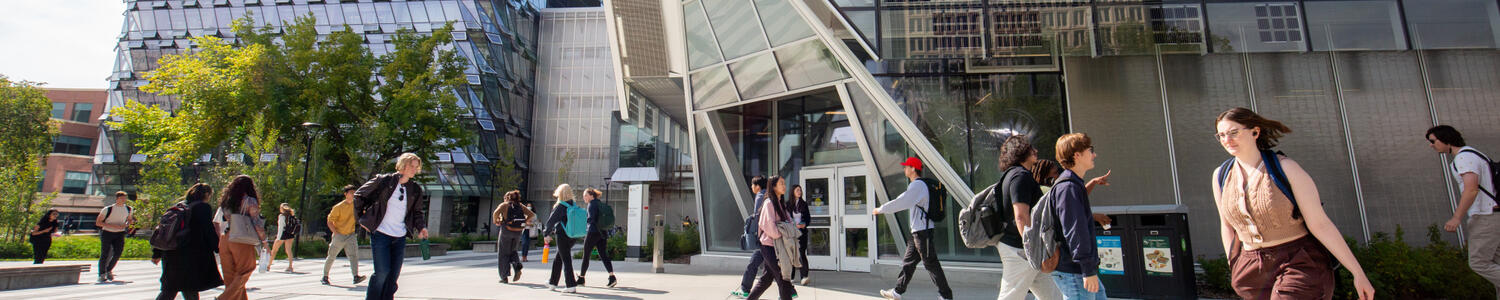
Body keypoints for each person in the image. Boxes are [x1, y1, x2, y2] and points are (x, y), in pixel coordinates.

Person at [1212, 108, 1374, 300]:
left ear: (1255, 132)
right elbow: (1227, 226)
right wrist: (1235, 264)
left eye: (1233, 132)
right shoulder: (1221, 175)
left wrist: (1357, 273)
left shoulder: (1286, 168)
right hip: (1250, 269)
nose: (1226, 140)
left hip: (1298, 262)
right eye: (1221, 135)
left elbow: (1320, 224)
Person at [1427, 125, 1500, 295]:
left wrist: (1456, 217)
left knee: (1479, 262)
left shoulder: (1464, 157)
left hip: (1485, 217)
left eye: (1433, 141)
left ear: (1446, 139)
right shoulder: (1474, 154)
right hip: (1493, 216)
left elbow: (1471, 188)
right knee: (1496, 263)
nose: (1431, 145)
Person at [990, 135, 1064, 300]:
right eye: (1031, 149)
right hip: (1021, 249)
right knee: (1010, 296)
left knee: (1052, 296)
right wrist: (1034, 247)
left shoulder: (1012, 175)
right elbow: (1021, 216)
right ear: (1021, 152)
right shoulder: (1020, 176)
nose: (1035, 151)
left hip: (1023, 248)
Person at [353, 153, 430, 300]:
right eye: (411, 166)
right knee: (382, 273)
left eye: (416, 167)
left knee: (393, 277)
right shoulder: (384, 181)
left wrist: (421, 228)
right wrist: (363, 220)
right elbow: (359, 195)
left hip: (399, 237)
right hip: (381, 234)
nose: (414, 169)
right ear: (402, 165)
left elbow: (417, 212)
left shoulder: (415, 189)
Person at [874, 157, 954, 300]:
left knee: (931, 263)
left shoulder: (917, 186)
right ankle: (897, 292)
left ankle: (946, 295)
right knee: (908, 263)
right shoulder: (917, 186)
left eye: (906, 167)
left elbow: (902, 201)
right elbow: (903, 198)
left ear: (913, 169)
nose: (904, 169)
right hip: (917, 231)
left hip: (923, 232)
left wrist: (881, 209)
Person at [151, 183, 224, 300]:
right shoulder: (202, 207)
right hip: (190, 254)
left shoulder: (179, 206)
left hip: (171, 253)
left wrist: (157, 253)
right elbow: (208, 230)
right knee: (186, 287)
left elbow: (165, 231)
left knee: (173, 288)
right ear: (206, 194)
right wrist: (218, 248)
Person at [214, 175, 266, 300]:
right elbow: (256, 223)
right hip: (241, 238)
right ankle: (223, 298)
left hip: (225, 237)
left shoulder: (226, 200)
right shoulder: (250, 201)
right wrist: (264, 241)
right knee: (246, 270)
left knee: (230, 277)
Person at [745, 176, 797, 300]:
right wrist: (784, 233)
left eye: (784, 183)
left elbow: (789, 221)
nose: (784, 186)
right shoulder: (769, 202)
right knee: (783, 277)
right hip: (769, 246)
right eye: (781, 184)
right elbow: (769, 226)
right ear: (773, 187)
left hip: (778, 246)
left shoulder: (780, 203)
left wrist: (789, 230)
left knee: (766, 280)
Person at [733, 175, 769, 298]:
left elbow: (759, 218)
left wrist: (757, 236)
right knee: (770, 268)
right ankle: (788, 291)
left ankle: (745, 289)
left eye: (753, 185)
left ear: (758, 186)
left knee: (753, 264)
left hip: (764, 238)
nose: (752, 187)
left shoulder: (760, 196)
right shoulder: (769, 195)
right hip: (769, 238)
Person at [323, 185, 366, 285]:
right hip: (339, 235)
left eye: (354, 193)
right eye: (351, 193)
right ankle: (325, 276)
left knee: (353, 256)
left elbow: (363, 214)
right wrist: (336, 233)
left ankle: (356, 276)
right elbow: (330, 221)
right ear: (345, 194)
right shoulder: (338, 207)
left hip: (350, 235)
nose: (353, 194)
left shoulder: (356, 205)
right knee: (332, 256)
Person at [578, 188, 618, 288]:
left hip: (592, 232)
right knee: (603, 254)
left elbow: (591, 219)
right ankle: (612, 276)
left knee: (586, 255)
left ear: (591, 196)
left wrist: (583, 222)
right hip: (602, 232)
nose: (584, 198)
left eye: (585, 195)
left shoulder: (591, 204)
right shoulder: (599, 203)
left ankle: (581, 278)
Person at [544, 184, 580, 293]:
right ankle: (552, 282)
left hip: (562, 235)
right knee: (558, 259)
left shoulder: (561, 206)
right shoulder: (573, 205)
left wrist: (546, 233)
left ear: (559, 193)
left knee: (566, 259)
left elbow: (551, 221)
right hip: (572, 236)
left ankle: (571, 285)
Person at [492, 190, 534, 284]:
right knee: (513, 251)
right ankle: (516, 265)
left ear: (507, 197)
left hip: (506, 230)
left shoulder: (504, 205)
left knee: (503, 253)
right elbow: (531, 214)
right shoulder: (520, 205)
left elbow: (495, 213)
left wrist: (496, 221)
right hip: (518, 231)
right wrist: (525, 221)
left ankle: (504, 277)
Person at [96, 191, 136, 283]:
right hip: (107, 232)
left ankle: (109, 270)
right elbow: (98, 222)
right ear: (117, 198)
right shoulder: (108, 209)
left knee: (118, 252)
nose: (124, 200)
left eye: (125, 198)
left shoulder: (129, 209)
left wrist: (128, 224)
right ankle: (101, 274)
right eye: (122, 198)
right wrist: (113, 226)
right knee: (104, 254)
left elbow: (129, 220)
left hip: (120, 233)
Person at [789, 184, 811, 285]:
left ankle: (804, 277)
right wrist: (793, 225)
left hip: (802, 233)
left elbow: (808, 219)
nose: (799, 192)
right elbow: (785, 218)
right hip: (791, 233)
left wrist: (804, 224)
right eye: (797, 190)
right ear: (793, 191)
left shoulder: (804, 204)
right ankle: (791, 276)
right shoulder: (788, 204)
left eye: (800, 190)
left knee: (802, 254)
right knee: (792, 254)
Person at [268, 203, 297, 273]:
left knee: (274, 250)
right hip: (290, 234)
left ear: (282, 208)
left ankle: (268, 265)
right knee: (288, 250)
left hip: (283, 234)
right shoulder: (292, 216)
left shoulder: (281, 216)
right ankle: (290, 266)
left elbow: (281, 228)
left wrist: (278, 238)